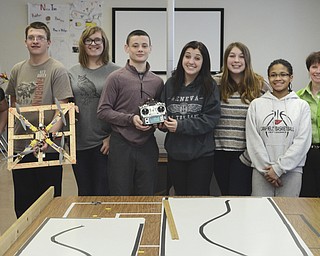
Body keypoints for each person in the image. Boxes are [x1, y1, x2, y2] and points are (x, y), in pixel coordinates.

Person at [5, 21, 73, 217]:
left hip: (48, 147)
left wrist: (47, 137)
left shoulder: (57, 69)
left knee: (49, 203)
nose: (35, 41)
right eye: (31, 37)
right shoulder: (17, 69)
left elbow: (62, 110)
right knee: (23, 204)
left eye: (40, 38)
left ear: (48, 42)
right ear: (25, 42)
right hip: (21, 147)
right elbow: (13, 103)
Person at [97, 29, 164, 196]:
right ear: (126, 48)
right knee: (120, 195)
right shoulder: (115, 78)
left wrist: (158, 122)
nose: (140, 49)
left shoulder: (157, 82)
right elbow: (103, 111)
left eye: (144, 46)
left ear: (150, 49)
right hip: (121, 145)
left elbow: (160, 113)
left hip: (147, 144)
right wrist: (130, 119)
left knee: (147, 195)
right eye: (135, 45)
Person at [159, 41, 220, 196]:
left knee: (197, 200)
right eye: (187, 56)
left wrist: (180, 126)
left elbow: (210, 120)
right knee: (179, 196)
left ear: (203, 62)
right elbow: (164, 112)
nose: (191, 62)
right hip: (175, 153)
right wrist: (161, 123)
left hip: (201, 155)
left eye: (197, 58)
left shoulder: (210, 86)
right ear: (181, 59)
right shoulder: (171, 84)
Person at [246, 59, 311, 197]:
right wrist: (268, 171)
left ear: (291, 77)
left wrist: (279, 169)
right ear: (268, 78)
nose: (278, 78)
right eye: (273, 75)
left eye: (283, 74)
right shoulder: (256, 105)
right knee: (259, 213)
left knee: (289, 213)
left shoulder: (301, 106)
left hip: (292, 171)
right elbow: (253, 141)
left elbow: (302, 141)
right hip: (262, 171)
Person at [213, 42, 269, 196]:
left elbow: (267, 119)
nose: (236, 60)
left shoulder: (259, 85)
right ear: (225, 59)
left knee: (239, 196)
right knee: (225, 196)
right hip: (219, 151)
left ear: (247, 60)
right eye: (232, 56)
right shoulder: (214, 83)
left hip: (245, 154)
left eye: (241, 56)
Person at [69, 26, 120, 196]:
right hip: (78, 142)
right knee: (84, 192)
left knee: (102, 193)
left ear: (104, 43)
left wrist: (113, 136)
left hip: (103, 143)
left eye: (98, 40)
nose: (93, 44)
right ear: (83, 44)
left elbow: (121, 108)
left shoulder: (116, 72)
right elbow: (67, 103)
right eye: (88, 40)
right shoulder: (72, 72)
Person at [297, 51, 320, 197]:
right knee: (307, 198)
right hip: (306, 153)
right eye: (314, 67)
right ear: (308, 70)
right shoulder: (297, 97)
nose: (318, 71)